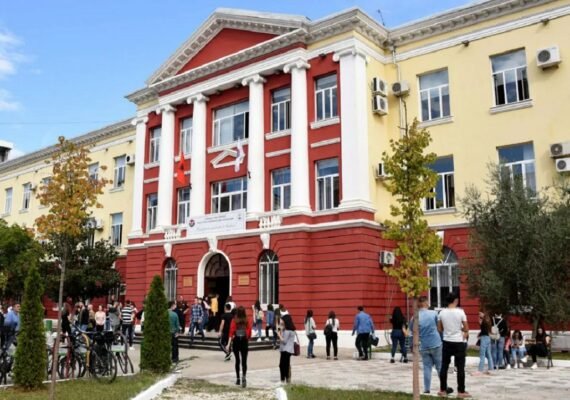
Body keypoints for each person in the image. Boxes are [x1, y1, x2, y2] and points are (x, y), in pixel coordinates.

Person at [437, 292, 471, 398]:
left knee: (444, 366)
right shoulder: (460, 312)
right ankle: (461, 391)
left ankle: (443, 389)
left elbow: (439, 329)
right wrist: (460, 329)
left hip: (446, 341)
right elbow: (466, 328)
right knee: (460, 367)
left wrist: (448, 329)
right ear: (455, 300)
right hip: (458, 342)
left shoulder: (441, 313)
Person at [413, 296, 446, 395]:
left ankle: (427, 388)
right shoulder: (433, 313)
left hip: (424, 344)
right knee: (439, 367)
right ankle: (443, 387)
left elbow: (412, 330)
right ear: (425, 303)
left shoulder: (415, 316)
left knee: (427, 367)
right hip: (436, 343)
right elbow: (439, 327)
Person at [226, 306, 252, 388]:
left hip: (236, 341)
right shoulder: (247, 320)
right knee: (244, 361)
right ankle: (244, 377)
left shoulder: (234, 320)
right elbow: (249, 330)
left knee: (237, 361)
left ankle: (238, 379)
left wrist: (228, 344)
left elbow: (231, 332)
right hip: (244, 341)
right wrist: (247, 337)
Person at [277, 311, 297, 384]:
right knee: (285, 365)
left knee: (283, 365)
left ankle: (284, 379)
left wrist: (279, 335)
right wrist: (281, 330)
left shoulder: (288, 331)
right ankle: (286, 379)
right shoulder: (289, 330)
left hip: (286, 350)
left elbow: (284, 341)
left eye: (282, 321)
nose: (281, 322)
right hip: (286, 350)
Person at [473, 311, 493, 376]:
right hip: (488, 338)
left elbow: (482, 327)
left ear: (484, 314)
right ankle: (491, 369)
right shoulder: (488, 321)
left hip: (484, 338)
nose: (479, 315)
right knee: (489, 354)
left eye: (480, 313)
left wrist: (480, 319)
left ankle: (480, 370)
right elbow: (485, 330)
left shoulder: (483, 321)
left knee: (482, 355)